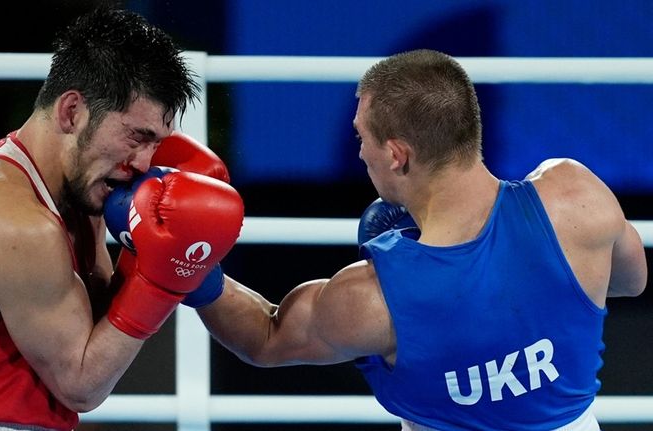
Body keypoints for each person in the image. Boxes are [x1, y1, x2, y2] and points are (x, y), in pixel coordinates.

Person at [176, 49, 648, 430]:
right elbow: (631, 280)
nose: (360, 150)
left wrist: (190, 267)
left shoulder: (373, 298)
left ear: (397, 155)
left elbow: (266, 338)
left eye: (362, 137)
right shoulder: (576, 196)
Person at [0, 7, 243, 431]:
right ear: (72, 111)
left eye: (156, 144)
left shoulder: (73, 185)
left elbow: (95, 318)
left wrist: (150, 250)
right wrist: (163, 276)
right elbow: (82, 384)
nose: (145, 163)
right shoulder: (14, 221)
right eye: (137, 137)